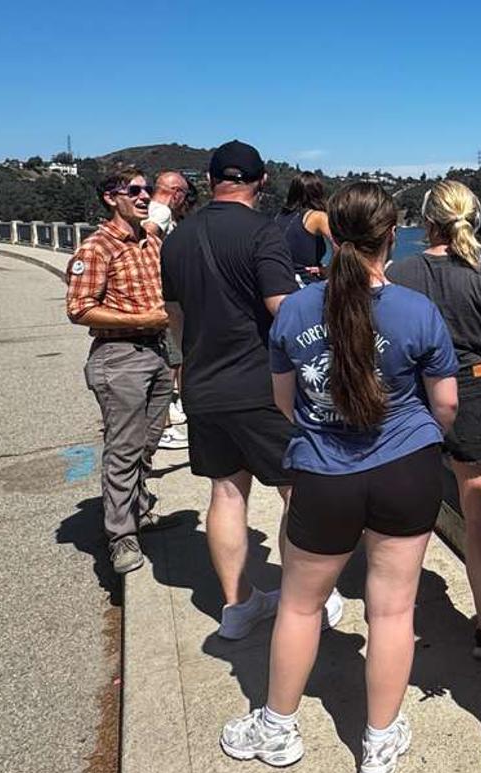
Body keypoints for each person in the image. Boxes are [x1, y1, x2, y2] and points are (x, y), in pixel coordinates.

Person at [219, 182, 458, 773]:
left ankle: (277, 727)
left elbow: (282, 402)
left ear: (332, 233)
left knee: (299, 605)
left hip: (324, 473)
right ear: (393, 233)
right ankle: (379, 743)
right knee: (393, 609)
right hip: (407, 471)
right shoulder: (416, 312)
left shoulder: (295, 310)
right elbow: (447, 406)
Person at [159, 141, 343, 639]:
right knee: (297, 491)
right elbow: (284, 307)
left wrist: (189, 362)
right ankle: (308, 600)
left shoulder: (175, 239)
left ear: (211, 181)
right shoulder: (263, 233)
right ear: (261, 182)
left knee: (225, 492)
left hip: (202, 383)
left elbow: (175, 318)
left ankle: (238, 606)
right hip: (261, 384)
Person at [387, 180, 481, 659]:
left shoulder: (399, 272)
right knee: (478, 520)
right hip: (472, 391)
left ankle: (391, 614)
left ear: (427, 221)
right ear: (473, 220)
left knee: (406, 510)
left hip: (411, 395)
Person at [66, 167, 176, 575]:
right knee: (124, 447)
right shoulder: (96, 248)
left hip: (156, 354)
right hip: (119, 357)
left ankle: (138, 504)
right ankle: (121, 536)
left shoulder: (151, 241)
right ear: (112, 198)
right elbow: (79, 309)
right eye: (135, 190)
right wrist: (144, 319)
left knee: (148, 441)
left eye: (147, 189)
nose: (146, 195)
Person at [144, 170, 194, 452]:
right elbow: (147, 238)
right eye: (183, 195)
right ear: (175, 193)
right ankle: (162, 426)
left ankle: (163, 417)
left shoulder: (150, 208)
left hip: (157, 296)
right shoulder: (161, 212)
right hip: (165, 298)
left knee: (167, 359)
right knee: (172, 356)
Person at [278, 172, 332, 286]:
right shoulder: (317, 217)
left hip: (280, 279)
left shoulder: (280, 216)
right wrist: (328, 270)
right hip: (305, 283)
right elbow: (341, 245)